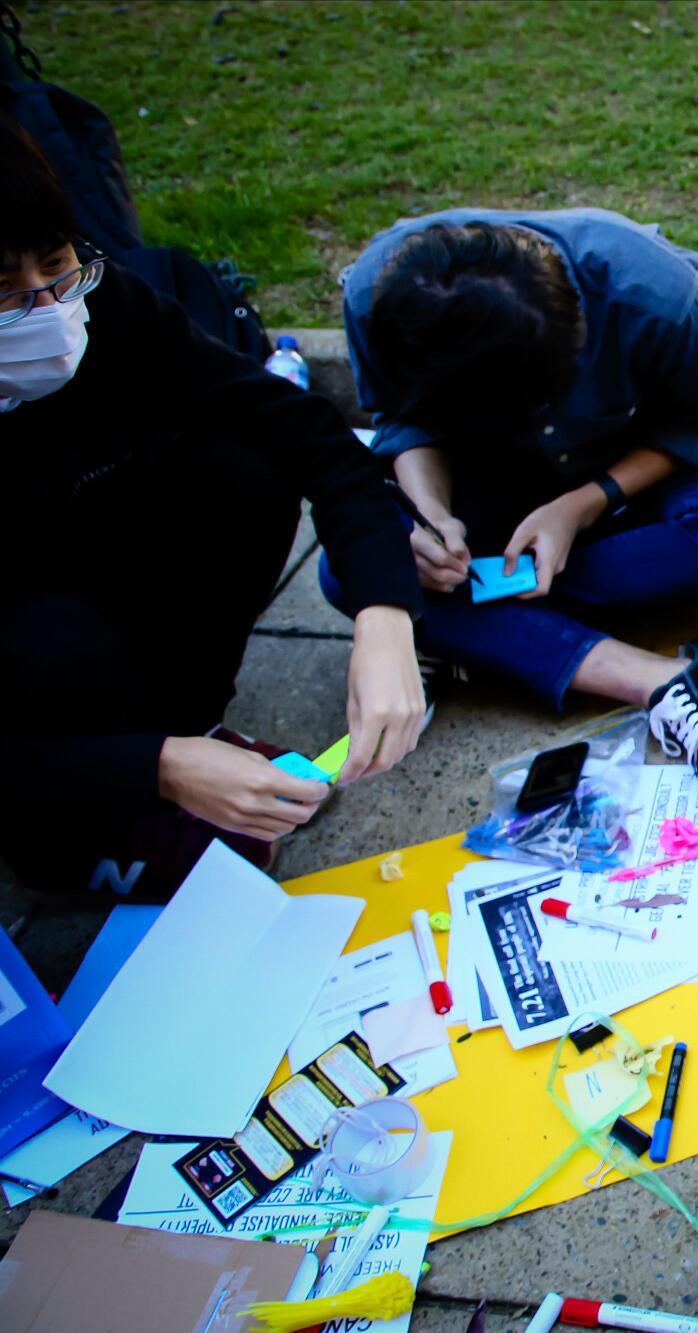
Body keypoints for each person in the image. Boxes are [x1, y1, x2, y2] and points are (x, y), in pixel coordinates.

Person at [0, 115, 426, 901]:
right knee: (51, 645)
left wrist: (384, 615)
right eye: (2, 290)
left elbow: (310, 436)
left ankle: (189, 728)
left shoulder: (105, 305)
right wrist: (152, 766)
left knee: (244, 470)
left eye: (57, 268)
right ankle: (68, 840)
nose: (45, 310)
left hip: (89, 554)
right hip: (26, 648)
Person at [333, 208, 698, 801]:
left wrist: (581, 506)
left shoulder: (658, 295)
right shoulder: (379, 297)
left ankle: (467, 627)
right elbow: (402, 423)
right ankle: (660, 679)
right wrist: (430, 515)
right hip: (480, 498)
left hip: (625, 488)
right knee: (348, 570)